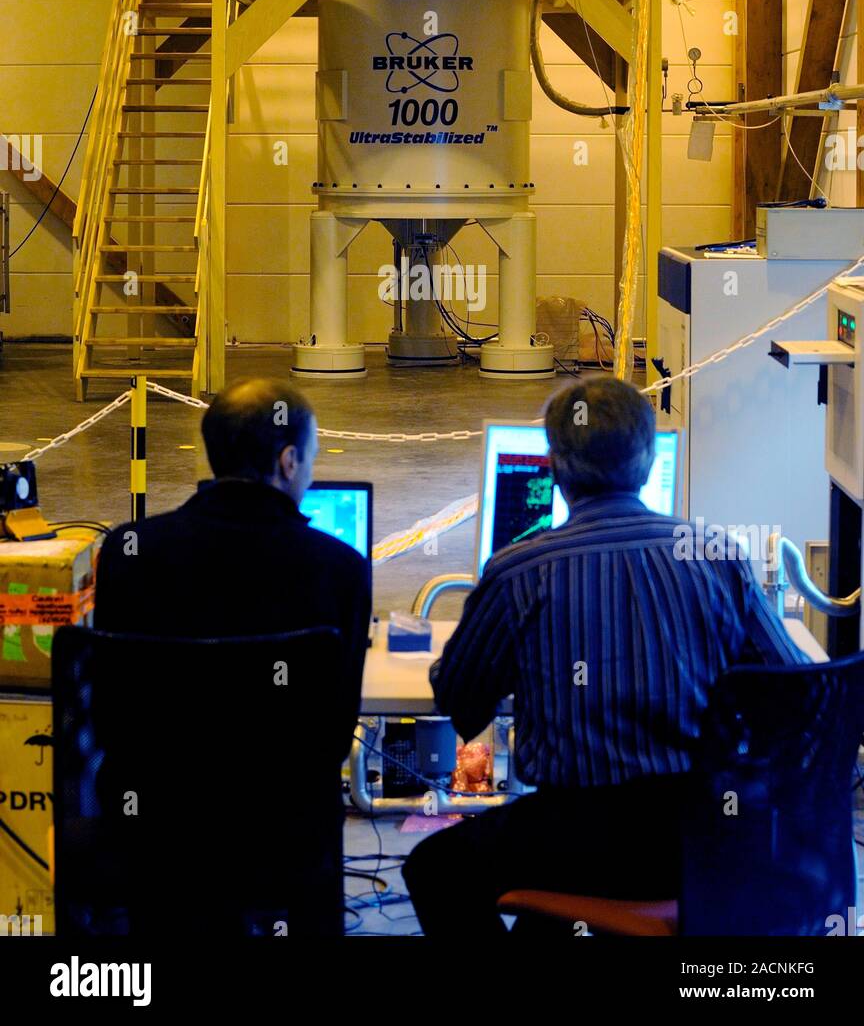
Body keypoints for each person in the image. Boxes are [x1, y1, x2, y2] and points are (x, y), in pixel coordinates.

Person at [403, 373, 805, 936]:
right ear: (647, 463)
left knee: (435, 867)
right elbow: (795, 692)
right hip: (705, 830)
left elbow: (461, 705)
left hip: (576, 839)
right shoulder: (717, 556)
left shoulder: (519, 571)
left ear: (556, 467)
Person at [94, 377, 371, 751]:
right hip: (291, 803)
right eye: (312, 457)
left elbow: (111, 706)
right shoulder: (341, 569)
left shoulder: (128, 551)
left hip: (159, 800)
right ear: (289, 462)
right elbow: (336, 734)